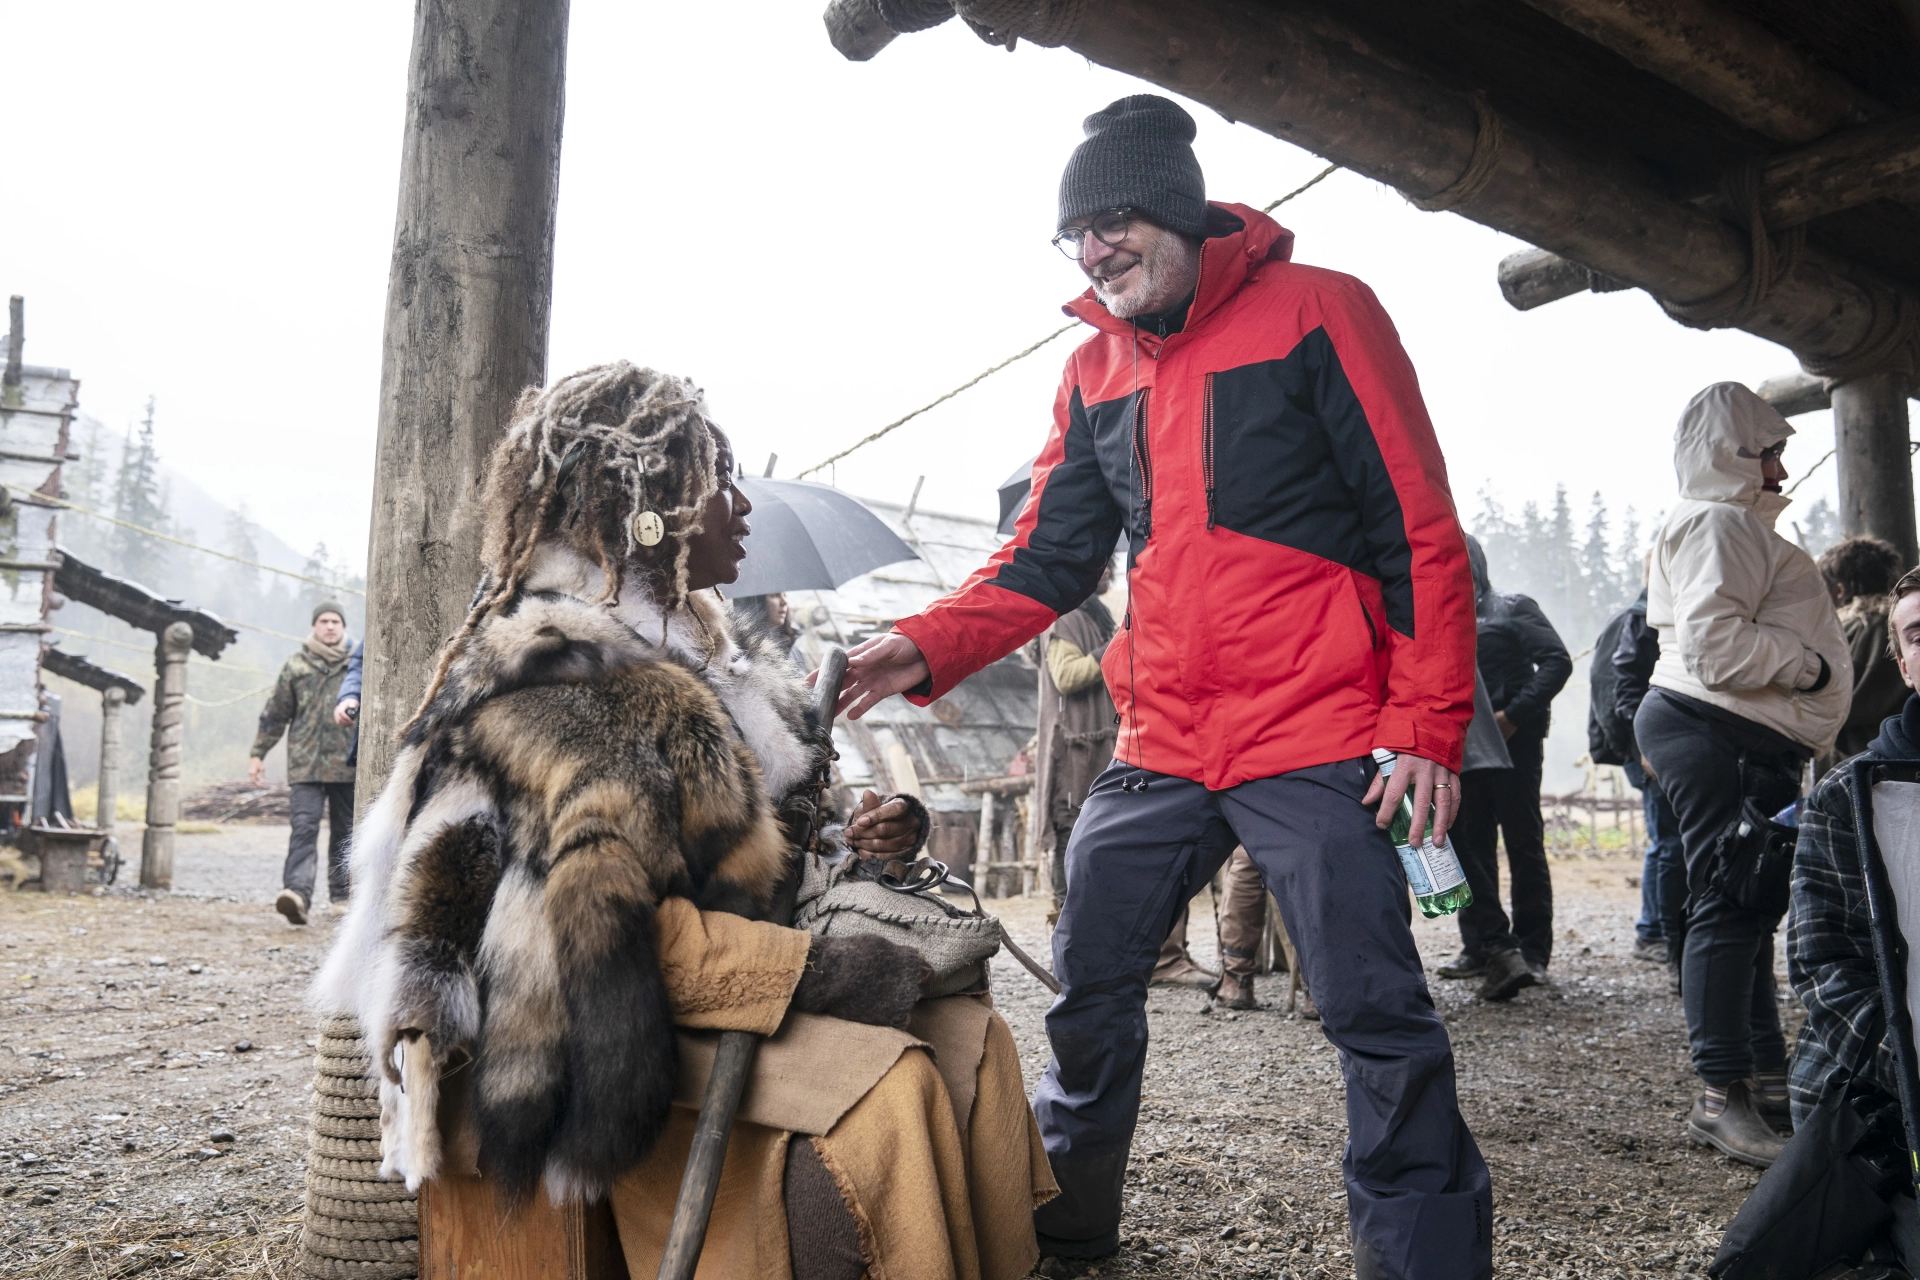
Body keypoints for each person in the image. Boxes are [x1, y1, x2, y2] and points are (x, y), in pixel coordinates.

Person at [828, 95, 1490, 1277]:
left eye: (1114, 218)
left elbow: (1418, 531)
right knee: (1087, 979)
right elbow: (1045, 556)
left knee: (1373, 1007)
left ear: (1179, 213)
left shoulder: (1324, 310)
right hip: (1166, 735)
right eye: (1075, 232)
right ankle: (1069, 1227)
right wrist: (921, 645)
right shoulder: (1092, 370)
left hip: (1319, 726)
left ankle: (1426, 1258)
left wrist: (1426, 725)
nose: (1093, 248)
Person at [312, 364, 1053, 1280]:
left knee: (973, 1040)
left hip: (707, 985)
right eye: (713, 482)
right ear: (647, 508)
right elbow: (594, 940)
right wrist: (813, 972)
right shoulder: (569, 686)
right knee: (887, 1092)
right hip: (583, 1040)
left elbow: (757, 846)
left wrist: (852, 839)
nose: (740, 507)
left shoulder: (704, 656)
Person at [1633, 382, 1850, 1168]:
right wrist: (1815, 666)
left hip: (1730, 733)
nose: (1782, 465)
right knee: (1730, 900)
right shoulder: (1721, 523)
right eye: (1768, 451)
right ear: (1735, 454)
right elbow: (1718, 650)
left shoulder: (1722, 524)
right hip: (1721, 729)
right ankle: (1722, 1095)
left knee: (1744, 901)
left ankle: (1760, 1075)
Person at [1438, 536, 1571, 1000]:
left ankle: (1533, 950)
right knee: (1472, 844)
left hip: (1515, 746)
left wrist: (1513, 715)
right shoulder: (1446, 616)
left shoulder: (1512, 607)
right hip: (1467, 748)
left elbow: (1556, 661)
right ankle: (1481, 948)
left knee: (1522, 843)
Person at [1599, 559, 1686, 976]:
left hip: (1654, 747)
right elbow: (1624, 690)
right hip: (1650, 751)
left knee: (1665, 842)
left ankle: (1653, 929)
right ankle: (1655, 934)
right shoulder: (1640, 619)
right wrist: (1642, 750)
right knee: (1668, 843)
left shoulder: (1656, 616)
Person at [252, 602, 358, 925]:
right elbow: (275, 714)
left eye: (336, 621)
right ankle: (296, 895)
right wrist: (258, 753)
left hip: (347, 765)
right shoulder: (296, 666)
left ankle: (343, 897)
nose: (330, 626)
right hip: (305, 765)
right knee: (304, 828)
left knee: (346, 833)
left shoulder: (356, 664)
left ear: (343, 626)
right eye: (324, 621)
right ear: (314, 626)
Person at [1035, 559, 1118, 925]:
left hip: (1097, 749)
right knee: (1073, 833)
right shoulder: (1065, 617)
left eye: (1111, 564)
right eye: (1101, 565)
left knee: (1097, 835)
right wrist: (1111, 649)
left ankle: (1092, 931)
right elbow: (1067, 676)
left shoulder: (1097, 616)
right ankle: (1071, 931)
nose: (1110, 571)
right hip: (1074, 752)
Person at [1817, 535, 1909, 769]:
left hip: (1857, 771)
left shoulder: (1838, 634)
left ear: (1838, 590)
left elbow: (1823, 708)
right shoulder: (1907, 628)